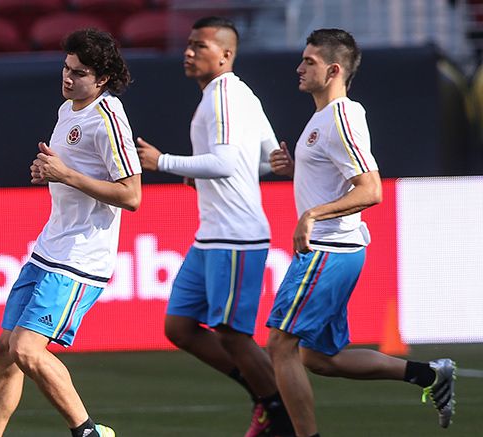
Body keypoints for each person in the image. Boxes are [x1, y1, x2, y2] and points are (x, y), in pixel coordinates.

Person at [265, 28, 456, 437]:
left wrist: (313, 214)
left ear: (333, 69)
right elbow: (338, 179)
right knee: (319, 358)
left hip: (328, 250)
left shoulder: (340, 117)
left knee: (280, 346)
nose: (299, 68)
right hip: (335, 249)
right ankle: (428, 375)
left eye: (309, 62)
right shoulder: (324, 118)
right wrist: (297, 171)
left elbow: (371, 189)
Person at [0, 28, 140, 437]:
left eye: (79, 73)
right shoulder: (69, 109)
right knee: (3, 352)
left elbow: (131, 194)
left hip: (81, 257)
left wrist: (65, 173)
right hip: (50, 247)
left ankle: (87, 432)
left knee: (26, 349)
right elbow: (69, 173)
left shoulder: (108, 118)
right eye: (66, 68)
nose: (68, 78)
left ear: (101, 79)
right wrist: (51, 173)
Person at [136, 16, 295, 437]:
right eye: (188, 45)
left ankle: (282, 412)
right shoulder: (236, 93)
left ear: (225, 55)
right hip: (212, 234)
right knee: (180, 327)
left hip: (236, 234)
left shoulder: (222, 95)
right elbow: (266, 160)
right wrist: (201, 173)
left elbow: (226, 163)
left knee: (232, 334)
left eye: (199, 46)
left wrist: (163, 162)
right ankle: (266, 396)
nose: (188, 52)